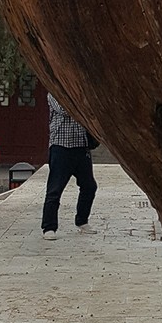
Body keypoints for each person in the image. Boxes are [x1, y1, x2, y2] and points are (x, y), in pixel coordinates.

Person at [41, 94, 97, 238]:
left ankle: (82, 220)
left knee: (89, 186)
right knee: (55, 189)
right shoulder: (54, 93)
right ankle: (49, 227)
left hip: (81, 146)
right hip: (61, 147)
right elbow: (64, 109)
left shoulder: (79, 92)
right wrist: (83, 105)